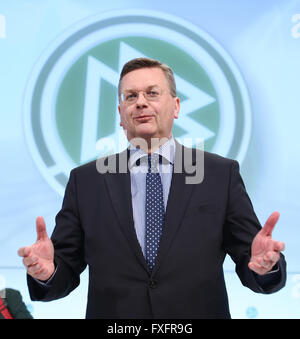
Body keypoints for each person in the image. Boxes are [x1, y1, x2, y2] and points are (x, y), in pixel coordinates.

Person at [18, 58, 286, 319]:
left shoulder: (219, 174)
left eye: (152, 93)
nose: (141, 102)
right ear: (121, 114)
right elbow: (63, 272)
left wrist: (265, 267)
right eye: (130, 96)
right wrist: (47, 273)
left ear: (176, 106)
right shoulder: (86, 181)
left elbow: (251, 260)